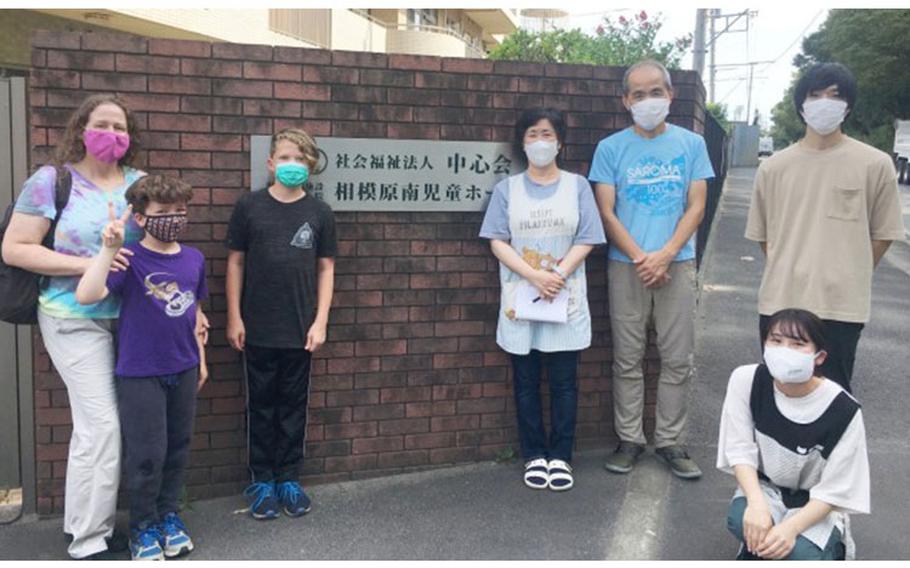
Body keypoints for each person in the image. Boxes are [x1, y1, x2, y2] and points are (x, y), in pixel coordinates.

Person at [1, 94, 145, 559]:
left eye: (121, 127)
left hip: (132, 322)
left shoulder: (140, 185)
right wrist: (87, 264)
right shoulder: (52, 181)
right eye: (102, 124)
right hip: (71, 318)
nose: (112, 134)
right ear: (81, 129)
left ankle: (86, 524)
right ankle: (87, 540)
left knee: (106, 426)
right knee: (100, 426)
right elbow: (17, 248)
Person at [745, 62, 904, 393]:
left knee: (832, 399)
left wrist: (849, 269)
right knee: (778, 396)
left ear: (848, 105)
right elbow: (764, 238)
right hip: (780, 301)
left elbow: (883, 234)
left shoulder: (874, 164)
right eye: (814, 95)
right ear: (801, 103)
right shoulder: (774, 167)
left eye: (835, 95)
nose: (824, 103)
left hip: (841, 306)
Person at [589, 59, 715, 479]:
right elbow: (606, 212)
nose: (648, 100)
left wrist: (665, 255)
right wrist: (644, 258)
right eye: (638, 94)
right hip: (627, 267)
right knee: (627, 358)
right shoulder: (610, 148)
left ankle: (670, 441)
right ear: (626, 101)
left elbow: (696, 205)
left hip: (677, 265)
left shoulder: (692, 144)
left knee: (678, 358)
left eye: (655, 91)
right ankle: (630, 439)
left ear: (670, 95)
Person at [76, 175, 208, 561]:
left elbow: (195, 314)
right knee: (147, 454)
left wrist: (201, 360)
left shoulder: (194, 259)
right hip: (139, 373)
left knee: (178, 450)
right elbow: (87, 295)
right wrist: (107, 250)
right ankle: (143, 526)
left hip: (183, 368)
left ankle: (169, 516)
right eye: (162, 212)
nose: (173, 218)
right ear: (140, 217)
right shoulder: (129, 260)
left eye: (179, 211)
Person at [480, 107, 606, 491]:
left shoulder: (577, 186)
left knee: (565, 383)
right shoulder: (507, 189)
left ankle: (561, 456)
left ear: (560, 142)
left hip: (564, 296)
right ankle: (534, 454)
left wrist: (557, 275)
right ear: (522, 142)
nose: (540, 141)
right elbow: (497, 239)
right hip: (523, 296)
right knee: (526, 381)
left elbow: (587, 236)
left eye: (547, 134)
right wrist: (534, 275)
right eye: (532, 134)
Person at [225, 128, 336, 519]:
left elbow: (326, 269)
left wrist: (320, 321)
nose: (293, 165)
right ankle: (261, 481)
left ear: (311, 167)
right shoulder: (249, 207)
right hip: (256, 327)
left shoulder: (319, 212)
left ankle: (289, 478)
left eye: (301, 159)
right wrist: (234, 316)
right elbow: (235, 262)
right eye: (286, 157)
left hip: (299, 330)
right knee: (261, 407)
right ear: (271, 163)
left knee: (293, 407)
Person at [717, 308, 869, 560]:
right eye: (776, 341)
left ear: (819, 357)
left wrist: (790, 529)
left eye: (798, 344)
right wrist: (755, 504)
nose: (784, 350)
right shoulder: (746, 380)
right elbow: (739, 449)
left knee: (799, 553)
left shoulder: (843, 409)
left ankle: (833, 546)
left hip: (815, 501)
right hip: (768, 488)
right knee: (739, 519)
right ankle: (759, 544)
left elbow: (836, 488)